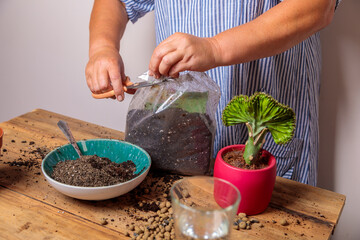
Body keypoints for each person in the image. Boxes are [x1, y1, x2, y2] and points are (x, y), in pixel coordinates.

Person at [85, 0, 341, 186]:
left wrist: (215, 48)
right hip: (178, 134)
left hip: (265, 126)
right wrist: (102, 47)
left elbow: (317, 7)